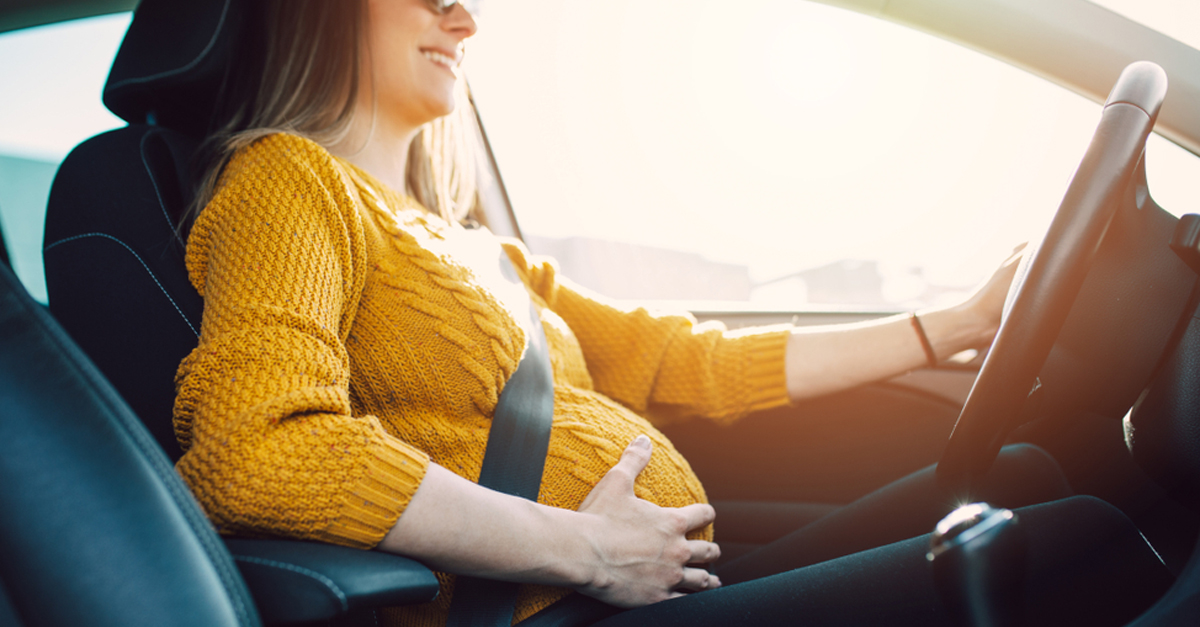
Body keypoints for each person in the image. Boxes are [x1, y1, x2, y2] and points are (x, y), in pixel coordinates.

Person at [171, 1, 1161, 626]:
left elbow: (686, 361)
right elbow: (257, 449)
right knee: (1083, 537)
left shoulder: (474, 244)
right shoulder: (286, 183)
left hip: (647, 575)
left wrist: (949, 325)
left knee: (1032, 478)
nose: (462, 14)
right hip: (549, 601)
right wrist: (578, 546)